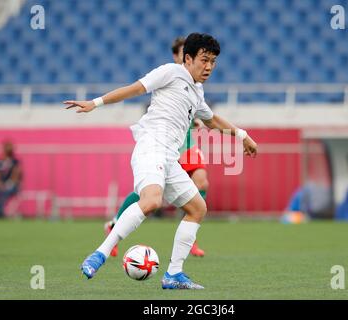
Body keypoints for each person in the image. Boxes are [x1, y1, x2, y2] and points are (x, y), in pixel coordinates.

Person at [64, 33, 258, 289]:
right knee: (152, 201)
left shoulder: (197, 91)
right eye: (204, 60)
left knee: (198, 209)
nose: (209, 66)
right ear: (187, 58)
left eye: (213, 61)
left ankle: (173, 274)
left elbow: (212, 120)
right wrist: (95, 103)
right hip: (151, 147)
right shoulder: (170, 72)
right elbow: (134, 89)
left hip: (169, 158)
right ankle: (99, 254)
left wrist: (242, 135)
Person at [104, 36, 208, 258]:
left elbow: (197, 111)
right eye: (184, 54)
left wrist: (197, 120)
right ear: (180, 56)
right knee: (148, 194)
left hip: (184, 143)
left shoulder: (197, 87)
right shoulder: (170, 75)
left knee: (201, 181)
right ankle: (114, 226)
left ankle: (191, 237)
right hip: (162, 143)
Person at [0, 140, 22, 218]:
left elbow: (15, 175)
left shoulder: (15, 162)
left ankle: (0, 211)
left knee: (6, 191)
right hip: (0, 183)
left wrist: (7, 184)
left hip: (10, 183)